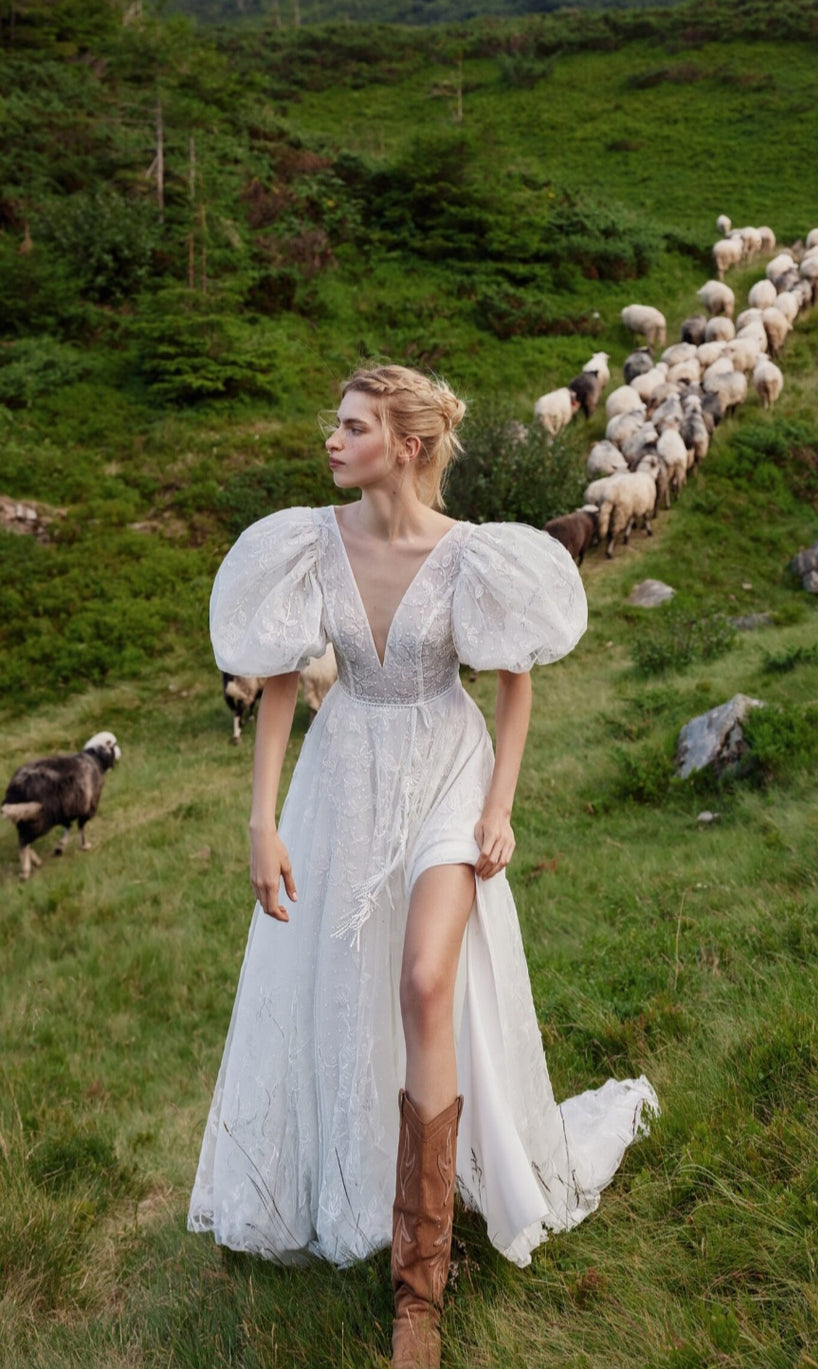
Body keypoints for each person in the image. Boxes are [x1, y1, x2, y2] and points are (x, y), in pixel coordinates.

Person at [188, 364, 657, 1369]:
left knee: (424, 980)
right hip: (345, 773)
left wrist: (499, 807)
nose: (332, 439)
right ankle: (357, 1185)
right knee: (351, 987)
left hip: (446, 770)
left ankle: (419, 1286)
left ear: (405, 445)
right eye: (335, 423)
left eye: (353, 426)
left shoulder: (469, 554)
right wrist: (261, 821)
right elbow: (279, 683)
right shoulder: (309, 542)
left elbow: (515, 686)